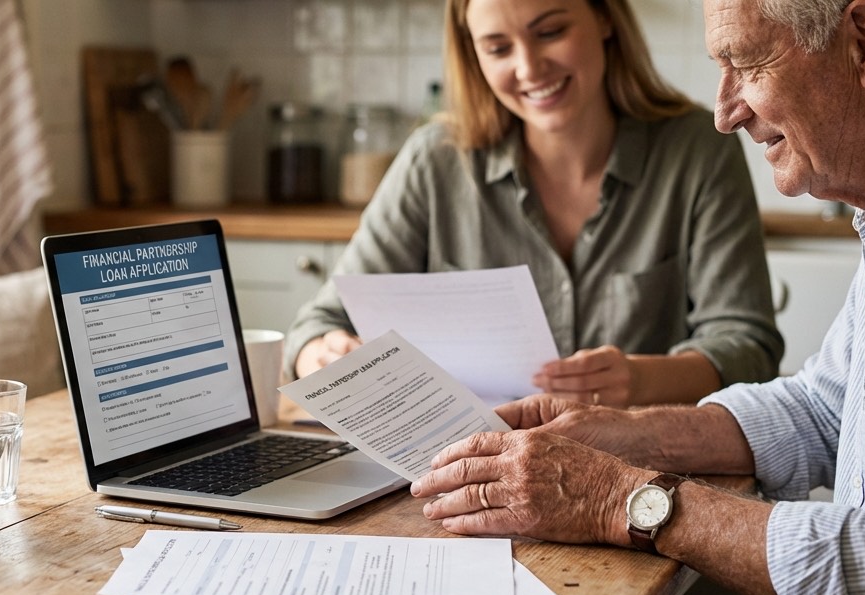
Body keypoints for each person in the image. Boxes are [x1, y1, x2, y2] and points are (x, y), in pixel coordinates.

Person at [410, 0, 865, 595]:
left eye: (747, 63)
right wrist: (629, 433)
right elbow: (825, 408)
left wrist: (619, 498)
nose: (726, 111)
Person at [284, 0, 784, 408]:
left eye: (550, 32)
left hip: (641, 473)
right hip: (468, 471)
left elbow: (749, 349)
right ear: (473, 55)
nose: (528, 68)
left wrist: (640, 380)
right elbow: (318, 325)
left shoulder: (699, 148)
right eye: (498, 47)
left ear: (605, 18)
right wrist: (320, 355)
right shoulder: (434, 161)